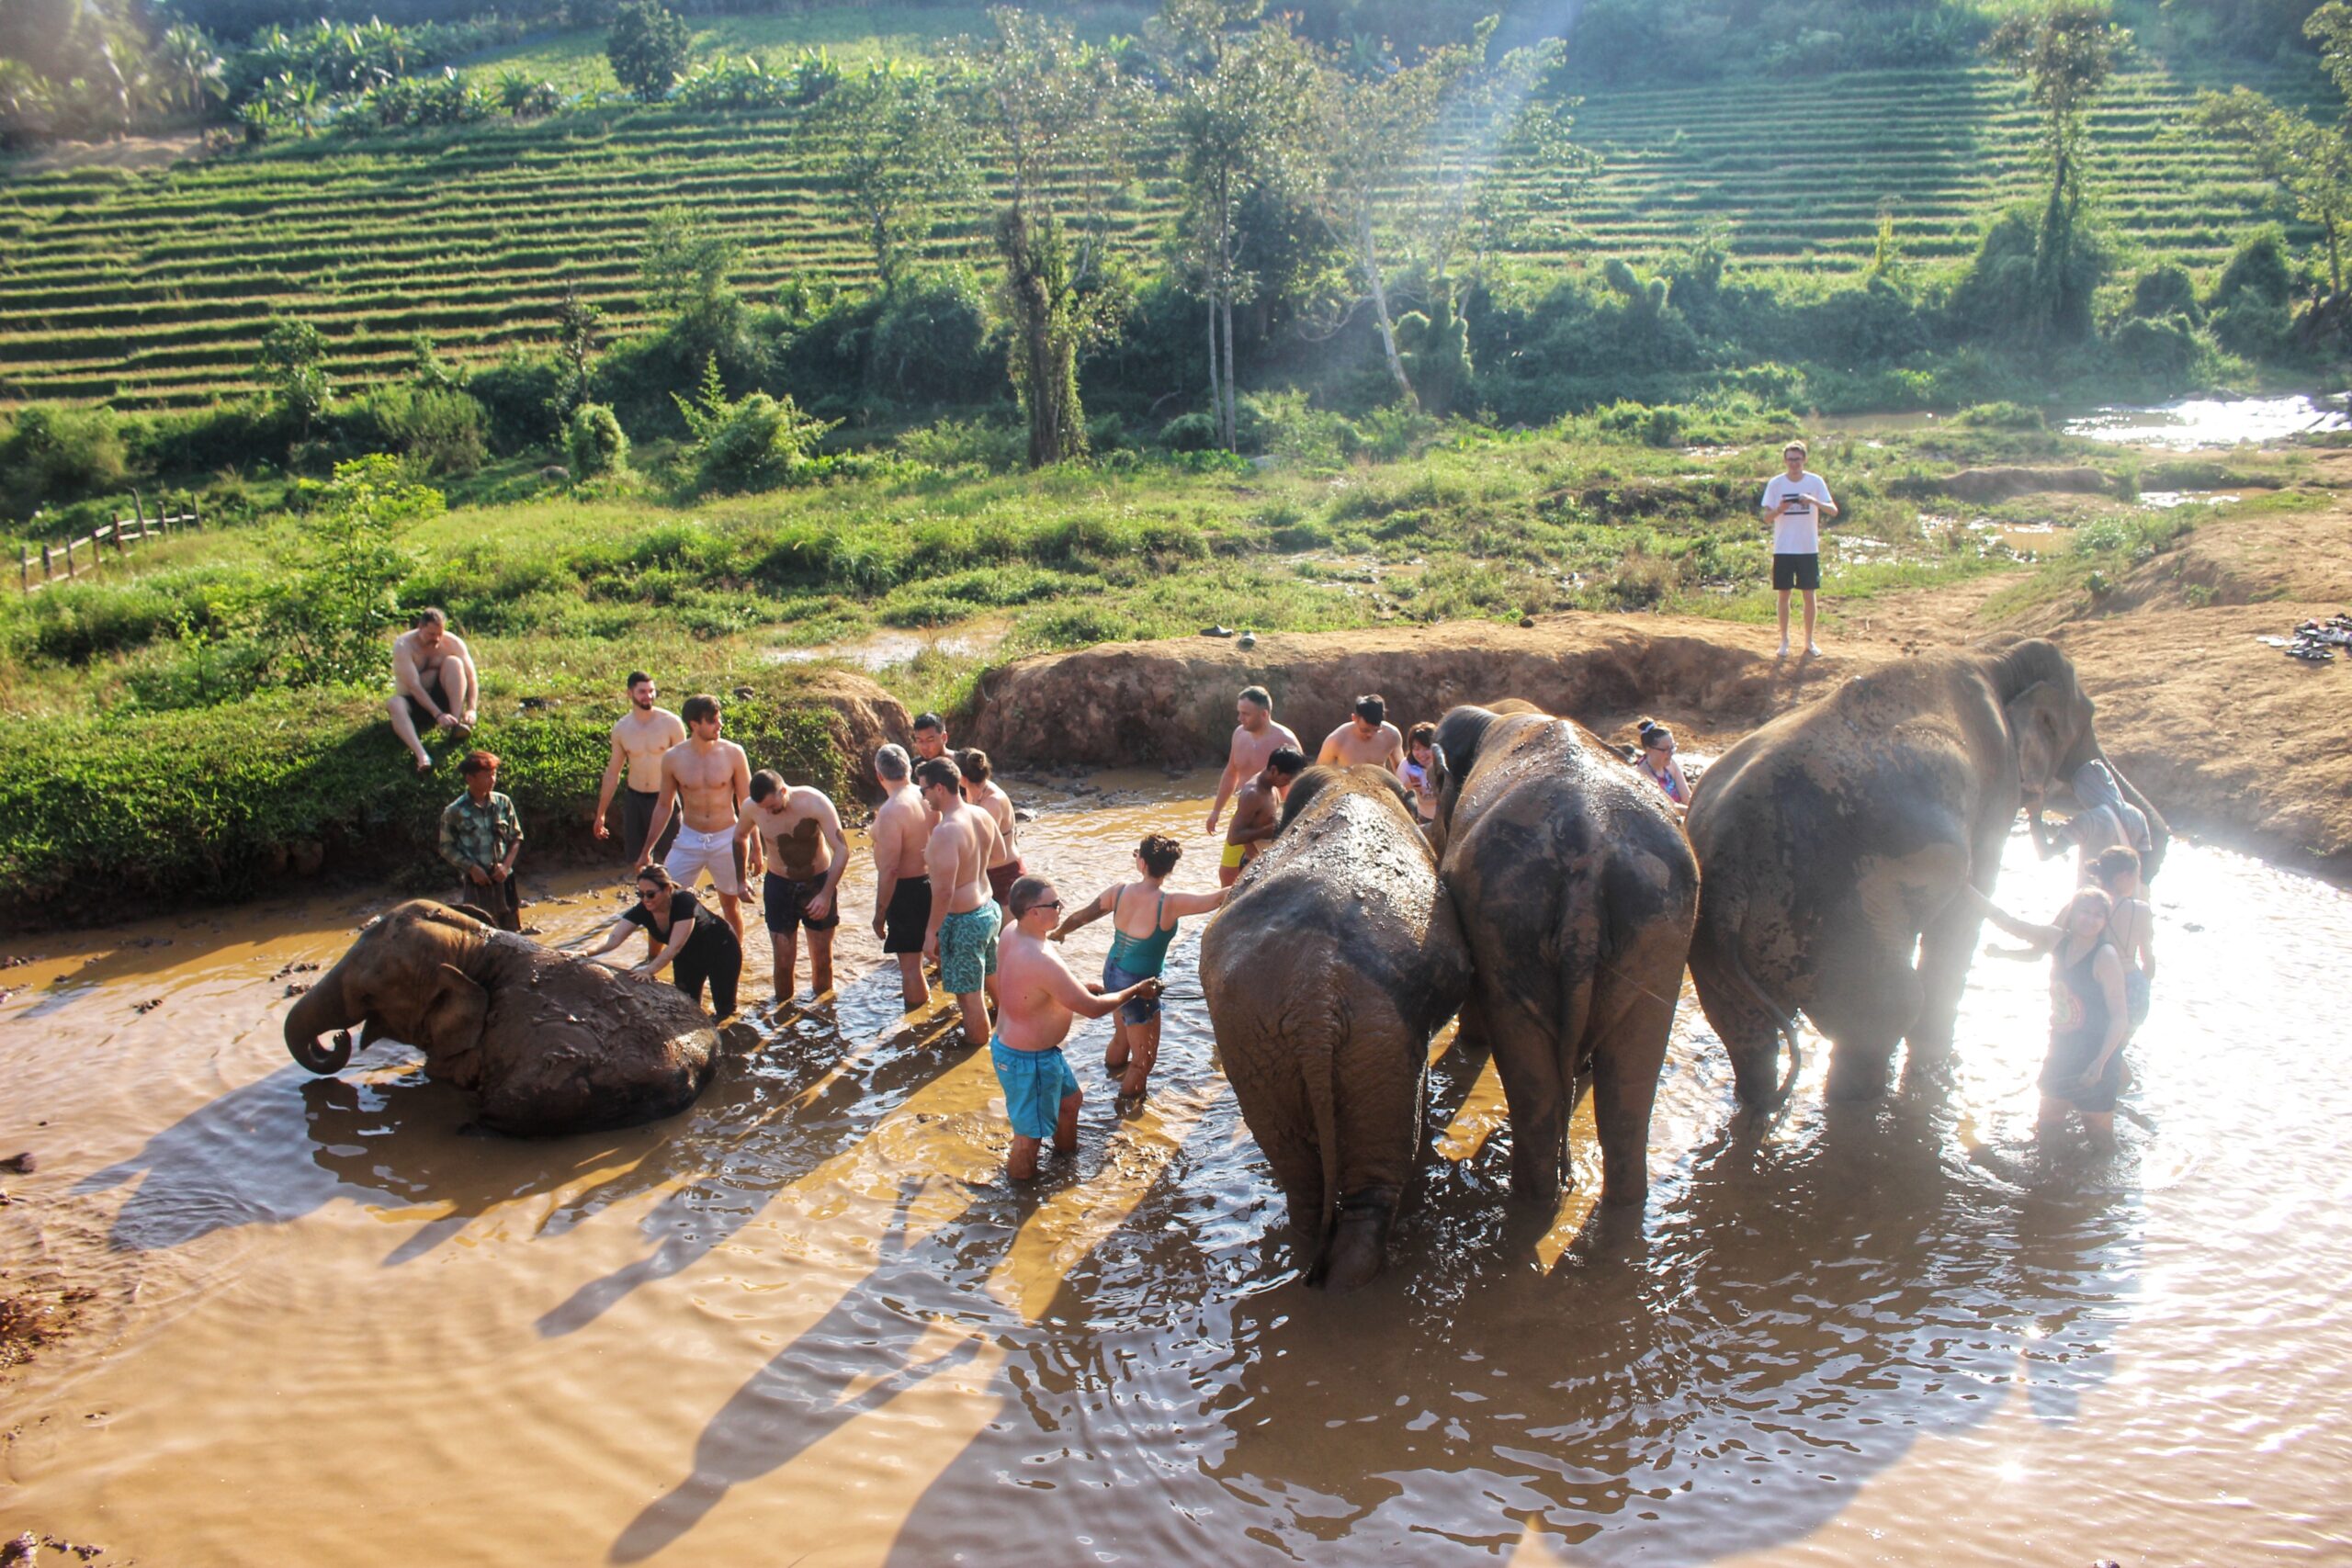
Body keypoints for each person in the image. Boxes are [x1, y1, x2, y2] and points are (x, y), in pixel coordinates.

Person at [994, 875, 1164, 1180]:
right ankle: (1019, 1204)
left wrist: (1080, 987)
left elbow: (1029, 989)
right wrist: (1137, 989)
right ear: (1033, 911)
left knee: (1070, 1102)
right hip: (1027, 1060)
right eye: (1055, 904)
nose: (1062, 908)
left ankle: (1064, 1167)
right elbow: (1092, 1009)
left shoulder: (1013, 932)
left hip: (1034, 1052)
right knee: (1028, 1139)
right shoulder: (1040, 957)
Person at [1051, 834, 1226, 1111]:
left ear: (1141, 862)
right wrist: (1256, 872)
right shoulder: (1170, 903)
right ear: (1169, 868)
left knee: (1121, 1035)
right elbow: (1218, 899)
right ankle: (1124, 1108)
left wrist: (1060, 932)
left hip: (1112, 972)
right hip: (1139, 986)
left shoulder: (1118, 891)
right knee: (1144, 1059)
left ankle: (1110, 1074)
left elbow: (1082, 917)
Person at [639, 694, 752, 942]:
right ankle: (652, 962)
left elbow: (747, 803)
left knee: (730, 905)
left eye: (719, 719)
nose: (719, 725)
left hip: (727, 837)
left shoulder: (733, 753)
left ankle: (735, 960)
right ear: (694, 725)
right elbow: (663, 805)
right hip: (689, 838)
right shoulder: (673, 758)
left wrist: (755, 847)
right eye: (712, 721)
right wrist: (648, 848)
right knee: (661, 900)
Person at [735, 769, 848, 1006]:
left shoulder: (814, 802)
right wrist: (740, 880)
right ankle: (784, 1019)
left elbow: (842, 850)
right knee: (783, 961)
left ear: (784, 791)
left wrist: (826, 895)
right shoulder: (750, 808)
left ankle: (825, 1017)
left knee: (822, 959)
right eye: (763, 808)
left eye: (773, 807)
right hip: (779, 885)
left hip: (817, 883)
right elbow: (739, 837)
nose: (768, 812)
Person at [918, 756, 1005, 1048]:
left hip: (965, 920)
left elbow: (943, 892)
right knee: (992, 978)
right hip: (989, 909)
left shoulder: (945, 831)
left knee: (970, 999)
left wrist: (931, 933)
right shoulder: (981, 815)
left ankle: (977, 1060)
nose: (924, 797)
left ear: (939, 788)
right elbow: (1000, 856)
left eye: (924, 790)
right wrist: (972, 867)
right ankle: (1010, 1034)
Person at [583, 863, 741, 1019]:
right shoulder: (643, 909)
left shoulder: (685, 902)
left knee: (724, 1010)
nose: (645, 900)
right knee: (687, 1006)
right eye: (640, 894)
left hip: (722, 950)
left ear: (667, 889)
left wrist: (648, 970)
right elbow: (613, 939)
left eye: (650, 894)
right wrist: (584, 952)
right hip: (687, 957)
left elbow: (674, 946)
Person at [592, 671, 686, 865]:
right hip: (635, 798)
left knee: (675, 855)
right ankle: (647, 893)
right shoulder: (621, 729)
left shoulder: (671, 723)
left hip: (665, 797)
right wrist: (601, 813)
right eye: (642, 691)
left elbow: (685, 766)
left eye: (651, 691)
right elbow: (612, 773)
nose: (648, 696)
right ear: (630, 694)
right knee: (638, 859)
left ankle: (677, 894)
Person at [869, 743, 936, 1013]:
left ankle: (916, 1026)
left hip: (907, 890)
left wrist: (880, 913)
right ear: (909, 768)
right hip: (935, 882)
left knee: (910, 967)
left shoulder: (890, 811)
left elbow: (890, 870)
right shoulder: (926, 795)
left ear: (879, 775)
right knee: (941, 953)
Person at [1761, 440, 1838, 658]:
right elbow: (1766, 518)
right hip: (1784, 547)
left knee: (1809, 594)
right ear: (1785, 461)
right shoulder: (1776, 484)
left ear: (1804, 459)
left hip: (1807, 547)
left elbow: (1833, 511)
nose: (1794, 463)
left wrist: (1813, 501)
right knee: (1783, 594)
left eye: (1798, 459)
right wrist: (1780, 509)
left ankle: (1809, 641)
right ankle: (1784, 640)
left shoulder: (1815, 481)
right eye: (1790, 459)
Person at [437, 749, 523, 931]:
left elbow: (516, 838)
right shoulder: (454, 811)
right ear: (470, 779)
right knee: (479, 935)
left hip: (503, 879)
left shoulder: (503, 803)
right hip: (476, 882)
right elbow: (446, 847)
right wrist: (472, 868)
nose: (492, 780)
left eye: (494, 774)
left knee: (513, 934)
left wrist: (506, 866)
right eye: (486, 776)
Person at [388, 608, 480, 773]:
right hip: (414, 702)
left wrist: (472, 709)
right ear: (420, 627)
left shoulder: (452, 642)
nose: (436, 639)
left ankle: (456, 723)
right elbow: (413, 686)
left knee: (454, 663)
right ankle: (422, 755)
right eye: (431, 634)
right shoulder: (403, 645)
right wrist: (437, 714)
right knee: (394, 703)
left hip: (443, 697)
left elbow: (471, 677)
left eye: (440, 634)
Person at [2032, 759, 2153, 884]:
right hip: (2127, 897)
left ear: (2083, 791)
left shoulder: (2088, 819)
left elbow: (2045, 853)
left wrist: (2034, 817)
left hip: (2092, 898)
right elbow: (2145, 860)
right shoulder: (2138, 815)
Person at [1205, 686, 1302, 838]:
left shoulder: (1286, 741)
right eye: (1239, 712)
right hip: (1242, 816)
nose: (1239, 718)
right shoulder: (1239, 734)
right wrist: (1216, 810)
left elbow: (1298, 786)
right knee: (1228, 860)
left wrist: (1286, 824)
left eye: (1245, 714)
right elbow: (1231, 772)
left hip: (1271, 820)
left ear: (1264, 714)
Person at [2090, 845, 2157, 1033]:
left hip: (2093, 982)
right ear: (2123, 876)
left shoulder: (2085, 903)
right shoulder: (2141, 910)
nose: (2138, 881)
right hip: (2129, 984)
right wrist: (2145, 985)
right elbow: (2148, 960)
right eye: (2137, 875)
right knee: (2118, 1048)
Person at [1220, 746, 1306, 886]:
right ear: (1273, 770)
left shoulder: (1272, 785)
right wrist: (1268, 830)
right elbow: (1233, 837)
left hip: (1267, 861)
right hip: (1252, 867)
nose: (1288, 783)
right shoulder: (1253, 794)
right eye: (1287, 779)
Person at [957, 748, 1024, 914]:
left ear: (962, 778)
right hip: (985, 873)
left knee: (1010, 936)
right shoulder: (973, 790)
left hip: (1006, 875)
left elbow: (982, 846)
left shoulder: (992, 801)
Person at [1317, 694, 1406, 774]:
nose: (1370, 735)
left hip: (1379, 786)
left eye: (1375, 730)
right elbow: (1319, 774)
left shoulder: (1392, 736)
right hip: (1349, 787)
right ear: (1354, 718)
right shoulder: (1336, 740)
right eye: (1365, 730)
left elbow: (1402, 771)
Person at [1634, 716, 1691, 808]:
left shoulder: (1671, 764)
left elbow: (1687, 798)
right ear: (1649, 750)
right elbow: (1671, 807)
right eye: (1665, 749)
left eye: (1672, 747)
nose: (1671, 753)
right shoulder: (1644, 776)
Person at [1401, 723, 1442, 827]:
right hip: (1424, 818)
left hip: (1448, 817)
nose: (1422, 754)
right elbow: (1401, 794)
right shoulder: (1407, 767)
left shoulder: (1447, 764)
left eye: (1427, 748)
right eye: (1416, 748)